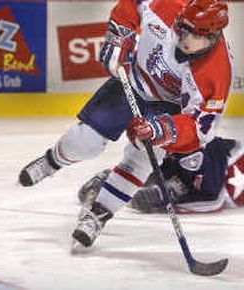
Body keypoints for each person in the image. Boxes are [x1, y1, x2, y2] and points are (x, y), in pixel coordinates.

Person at [19, 0, 232, 248]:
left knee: (139, 160)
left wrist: (163, 130)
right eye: (184, 29)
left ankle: (98, 216)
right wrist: (119, 34)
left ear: (214, 36)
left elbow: (200, 128)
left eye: (197, 35)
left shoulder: (217, 71)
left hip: (167, 110)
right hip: (133, 81)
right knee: (85, 141)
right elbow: (131, 5)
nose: (186, 38)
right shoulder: (167, 5)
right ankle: (52, 161)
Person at [78, 137, 244, 214]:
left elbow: (212, 199)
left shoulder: (201, 153)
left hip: (216, 174)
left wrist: (167, 201)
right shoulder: (170, 145)